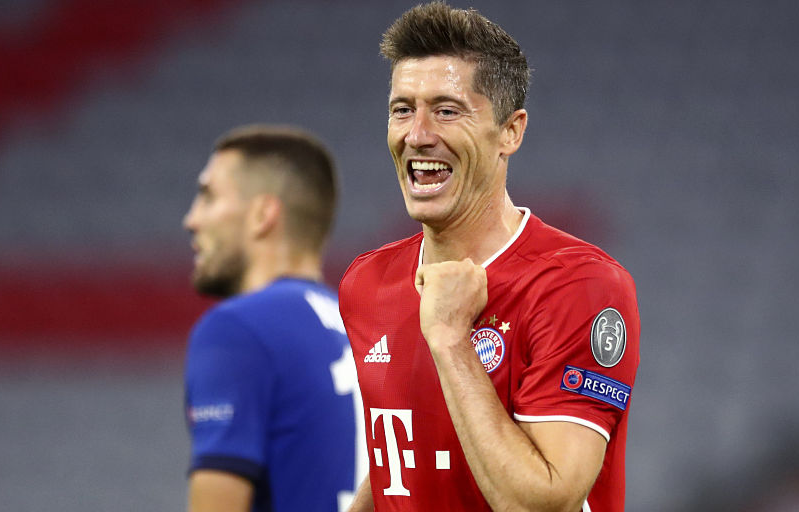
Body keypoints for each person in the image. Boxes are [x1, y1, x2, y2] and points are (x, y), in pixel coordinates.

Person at [338, 3, 639, 512]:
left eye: (446, 110)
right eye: (402, 109)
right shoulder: (367, 283)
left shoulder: (578, 285)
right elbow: (405, 465)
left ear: (510, 132)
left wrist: (452, 339)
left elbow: (542, 504)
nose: (417, 134)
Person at [182, 125, 365, 512]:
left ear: (262, 214)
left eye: (208, 196)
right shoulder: (360, 330)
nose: (191, 219)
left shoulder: (237, 330)